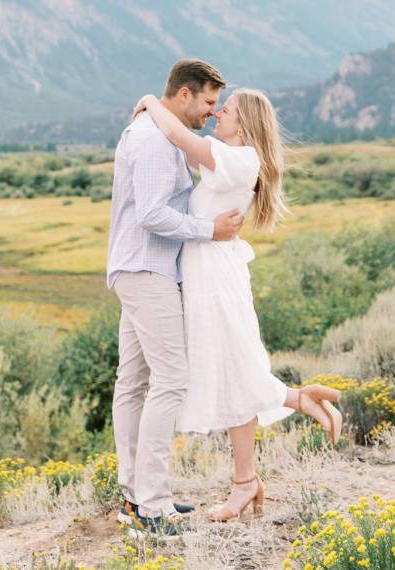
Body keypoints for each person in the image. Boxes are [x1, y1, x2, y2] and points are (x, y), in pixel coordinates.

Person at [133, 85, 343, 524]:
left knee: (236, 367)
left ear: (244, 122)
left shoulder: (240, 158)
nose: (215, 116)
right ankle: (248, 477)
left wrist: (153, 102)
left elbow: (177, 136)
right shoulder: (232, 160)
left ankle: (300, 403)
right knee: (230, 371)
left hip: (216, 279)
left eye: (223, 111)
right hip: (208, 275)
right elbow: (183, 147)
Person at [106, 59, 243, 538]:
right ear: (184, 95)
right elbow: (150, 214)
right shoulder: (150, 140)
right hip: (147, 269)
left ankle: (134, 498)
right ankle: (153, 505)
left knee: (135, 381)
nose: (211, 112)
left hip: (140, 267)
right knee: (171, 380)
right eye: (208, 102)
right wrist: (211, 230)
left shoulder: (154, 132)